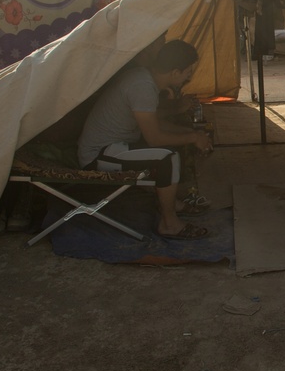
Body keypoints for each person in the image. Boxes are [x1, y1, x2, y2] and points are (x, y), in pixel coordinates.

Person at [77, 39, 213, 240]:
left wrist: (191, 134)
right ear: (175, 73)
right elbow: (154, 138)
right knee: (167, 157)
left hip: (115, 147)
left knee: (176, 144)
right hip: (98, 155)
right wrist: (192, 136)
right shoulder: (142, 86)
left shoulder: (144, 79)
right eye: (187, 72)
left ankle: (171, 203)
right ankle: (169, 224)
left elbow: (154, 122)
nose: (189, 76)